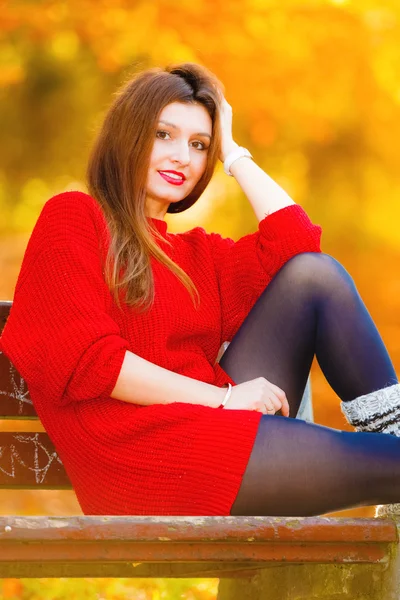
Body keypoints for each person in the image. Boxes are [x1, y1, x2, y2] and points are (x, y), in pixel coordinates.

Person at [1, 62, 400, 518]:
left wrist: (233, 153)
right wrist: (226, 399)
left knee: (315, 274)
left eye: (198, 145)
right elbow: (92, 361)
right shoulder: (73, 217)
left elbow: (298, 245)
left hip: (210, 431)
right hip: (141, 460)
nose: (182, 158)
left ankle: (395, 435)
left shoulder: (196, 254)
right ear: (126, 135)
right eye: (163, 135)